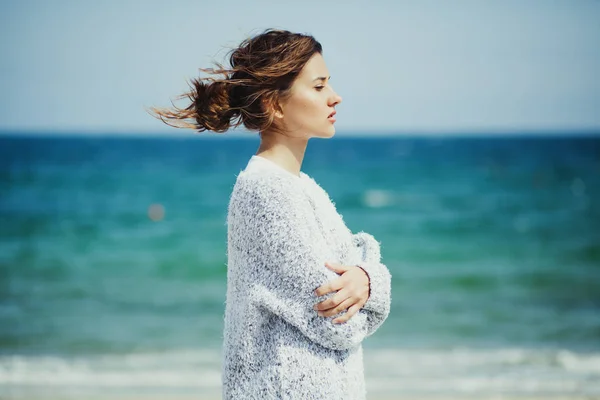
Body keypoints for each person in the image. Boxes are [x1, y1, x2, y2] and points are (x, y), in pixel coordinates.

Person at [150, 29, 392, 400]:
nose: (335, 97)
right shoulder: (265, 192)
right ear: (273, 104)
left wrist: (367, 278)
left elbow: (360, 259)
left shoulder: (302, 187)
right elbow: (337, 322)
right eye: (318, 86)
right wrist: (369, 281)